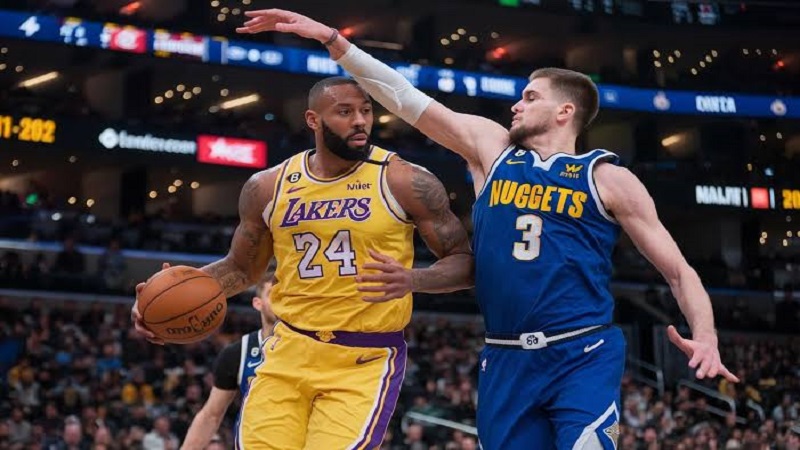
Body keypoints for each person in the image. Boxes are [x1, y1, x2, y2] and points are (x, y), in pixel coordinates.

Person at [236, 9, 739, 450]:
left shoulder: (607, 178)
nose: (517, 105)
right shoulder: (492, 150)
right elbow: (405, 98)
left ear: (565, 111)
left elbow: (678, 270)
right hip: (504, 354)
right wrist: (334, 41)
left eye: (530, 96)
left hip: (582, 350)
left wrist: (707, 336)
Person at [132, 76, 474, 449]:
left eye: (366, 111)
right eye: (345, 112)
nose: (360, 121)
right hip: (287, 350)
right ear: (313, 120)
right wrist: (166, 292)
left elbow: (464, 263)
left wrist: (413, 280)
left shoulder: (405, 180)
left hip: (362, 358)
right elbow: (241, 269)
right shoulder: (267, 186)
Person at [181, 276, 278, 450]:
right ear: (257, 303)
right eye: (273, 294)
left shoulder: (313, 347)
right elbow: (211, 415)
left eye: (285, 295)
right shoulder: (238, 353)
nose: (280, 300)